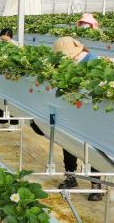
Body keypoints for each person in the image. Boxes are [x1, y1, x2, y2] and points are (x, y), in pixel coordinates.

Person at [32, 37, 102, 201]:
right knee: (68, 141)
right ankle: (71, 176)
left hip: (90, 111)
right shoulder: (66, 63)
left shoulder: (93, 61)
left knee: (93, 147)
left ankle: (96, 184)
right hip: (70, 109)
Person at [0, 28, 19, 129]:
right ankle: (1, 121)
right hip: (1, 75)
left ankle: (14, 123)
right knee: (0, 97)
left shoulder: (16, 45)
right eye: (2, 39)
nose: (3, 41)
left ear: (10, 38)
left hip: (12, 76)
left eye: (6, 40)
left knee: (12, 99)